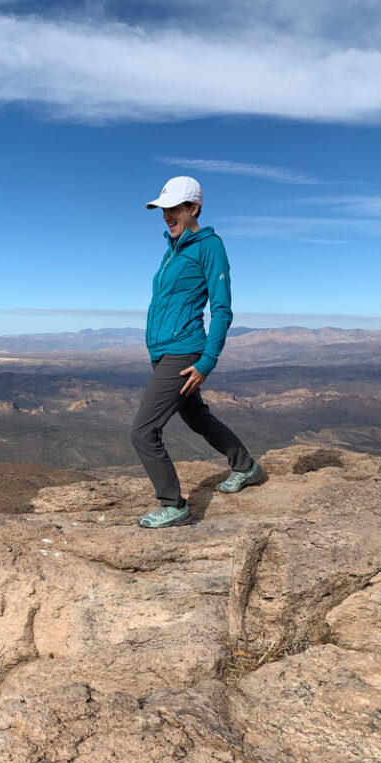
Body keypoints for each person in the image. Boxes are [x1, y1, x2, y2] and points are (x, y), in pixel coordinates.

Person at [131, 175, 264, 528]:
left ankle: (174, 505)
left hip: (183, 351)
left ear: (194, 208)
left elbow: (222, 309)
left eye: (173, 208)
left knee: (143, 432)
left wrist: (207, 360)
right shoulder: (172, 251)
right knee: (196, 417)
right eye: (163, 210)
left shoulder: (210, 247)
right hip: (164, 351)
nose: (166, 216)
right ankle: (246, 466)